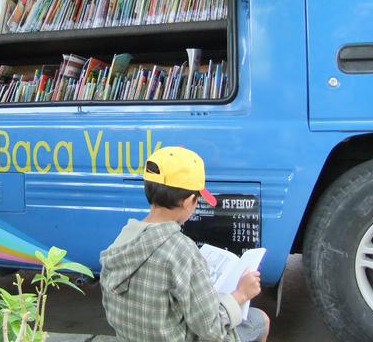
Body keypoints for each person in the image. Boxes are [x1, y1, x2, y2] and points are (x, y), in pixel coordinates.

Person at [99, 146, 270, 342]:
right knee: (260, 320)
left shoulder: (122, 240)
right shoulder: (182, 251)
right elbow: (211, 329)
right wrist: (240, 294)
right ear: (189, 201)